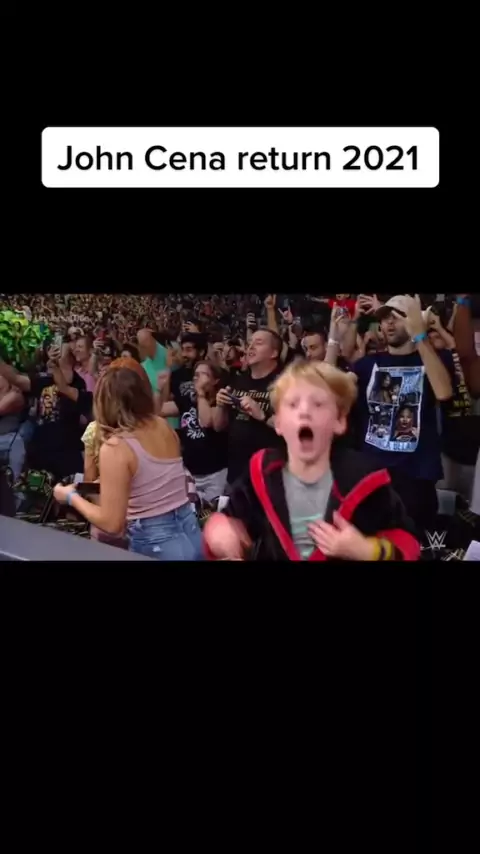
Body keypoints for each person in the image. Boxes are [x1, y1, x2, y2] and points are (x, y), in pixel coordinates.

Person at [203, 359, 420, 561]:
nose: (304, 412)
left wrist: (367, 550)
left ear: (339, 421)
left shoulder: (364, 478)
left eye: (318, 404)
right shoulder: (263, 470)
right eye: (293, 404)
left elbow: (408, 544)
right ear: (278, 422)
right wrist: (220, 531)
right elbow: (231, 520)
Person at [53, 364, 204, 561]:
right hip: (190, 530)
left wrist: (70, 497)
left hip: (156, 541)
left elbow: (112, 525)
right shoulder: (162, 425)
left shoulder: (115, 447)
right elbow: (153, 481)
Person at [349, 294, 454, 533]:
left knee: (415, 544)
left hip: (415, 476)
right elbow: (330, 389)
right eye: (384, 318)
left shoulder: (435, 359)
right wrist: (335, 340)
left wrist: (419, 335)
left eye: (397, 317)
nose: (389, 323)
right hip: (373, 474)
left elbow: (444, 392)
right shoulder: (367, 364)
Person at [0, 345, 93, 481]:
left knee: (70, 491)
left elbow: (66, 388)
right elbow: (16, 379)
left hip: (67, 454)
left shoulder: (78, 384)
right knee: (35, 491)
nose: (55, 353)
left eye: (60, 352)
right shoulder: (45, 380)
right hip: (40, 453)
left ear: (70, 360)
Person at [212, 328, 285, 487]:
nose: (251, 346)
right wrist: (220, 405)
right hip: (236, 475)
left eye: (258, 343)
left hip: (270, 477)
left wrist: (262, 414)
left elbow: (292, 427)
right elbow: (218, 426)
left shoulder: (284, 383)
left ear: (274, 353)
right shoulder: (237, 381)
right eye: (249, 342)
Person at [159, 360, 229, 503]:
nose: (197, 377)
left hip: (214, 475)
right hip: (191, 473)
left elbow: (206, 422)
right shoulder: (187, 400)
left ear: (215, 380)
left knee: (212, 513)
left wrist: (200, 394)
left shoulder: (220, 402)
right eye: (195, 374)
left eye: (203, 374)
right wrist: (161, 390)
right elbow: (159, 410)